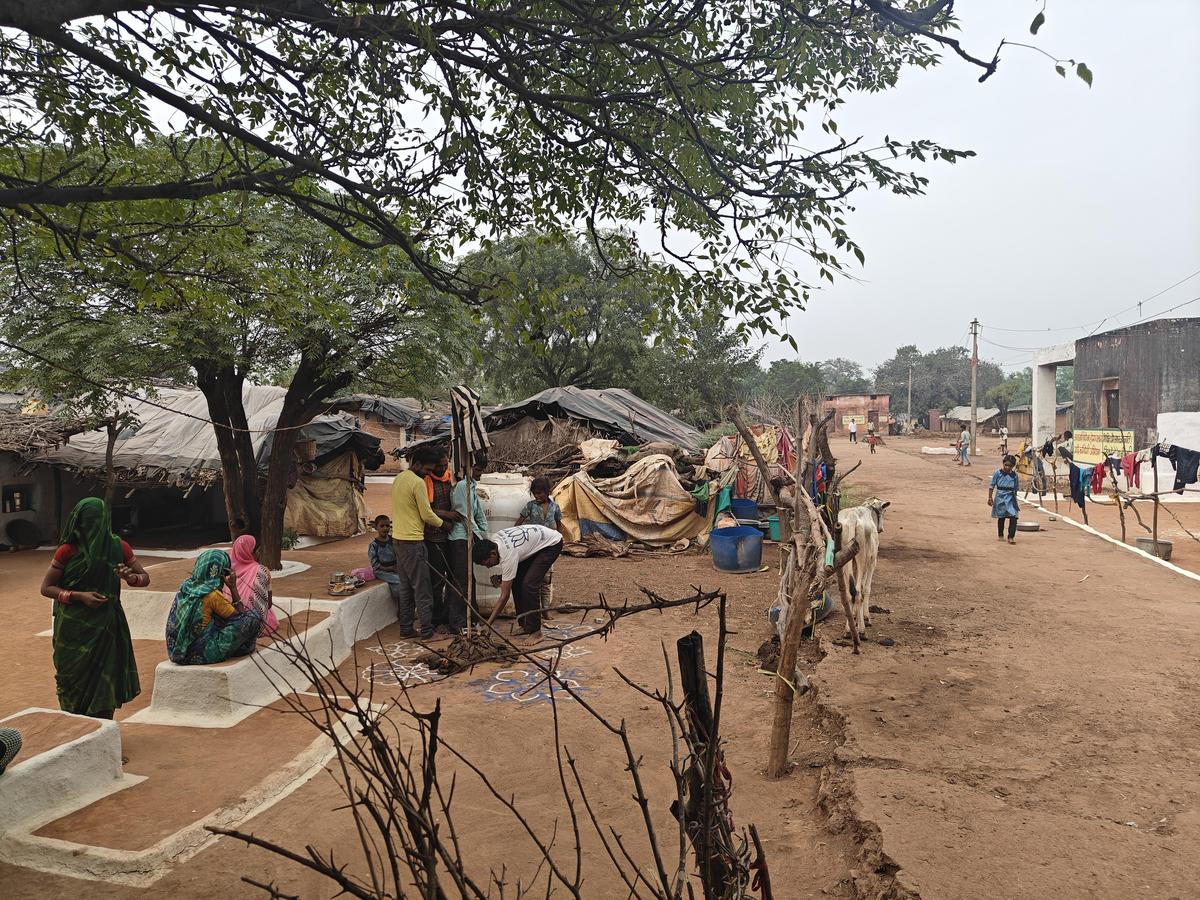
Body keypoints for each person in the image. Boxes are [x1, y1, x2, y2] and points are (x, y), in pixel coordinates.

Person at [39, 497, 148, 719]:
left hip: (106, 626)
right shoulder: (67, 551)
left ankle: (103, 731)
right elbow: (46, 588)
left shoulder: (119, 547)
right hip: (72, 629)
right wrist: (79, 596)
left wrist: (131, 578)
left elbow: (144, 578)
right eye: (89, 521)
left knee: (104, 679)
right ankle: (75, 726)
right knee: (71, 678)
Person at [166, 550, 262, 665]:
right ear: (221, 572)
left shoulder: (185, 588)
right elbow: (240, 616)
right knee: (253, 617)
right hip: (199, 653)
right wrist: (233, 588)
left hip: (178, 651)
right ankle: (242, 650)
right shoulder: (212, 595)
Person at [391, 445, 447, 638]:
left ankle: (406, 628)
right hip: (413, 541)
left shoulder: (399, 478)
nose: (428, 473)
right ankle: (427, 630)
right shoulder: (417, 482)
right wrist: (444, 524)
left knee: (406, 588)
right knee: (423, 588)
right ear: (417, 464)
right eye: (427, 469)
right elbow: (426, 514)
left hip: (398, 539)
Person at [474, 524, 564, 638]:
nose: (488, 567)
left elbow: (504, 596)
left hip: (551, 544)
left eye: (488, 563)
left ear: (493, 553)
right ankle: (525, 625)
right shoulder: (495, 540)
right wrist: (503, 577)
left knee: (529, 585)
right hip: (537, 542)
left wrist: (488, 624)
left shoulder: (507, 555)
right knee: (516, 582)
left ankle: (536, 631)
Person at [446, 456, 489, 632]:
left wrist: (484, 535)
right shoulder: (462, 486)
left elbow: (478, 515)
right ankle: (457, 622)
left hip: (468, 538)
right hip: (460, 538)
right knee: (461, 581)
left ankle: (471, 618)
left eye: (481, 470)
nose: (480, 473)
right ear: (469, 468)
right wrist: (479, 538)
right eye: (477, 470)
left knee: (469, 580)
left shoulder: (471, 487)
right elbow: (465, 516)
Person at [515, 476, 564, 615]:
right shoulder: (530, 506)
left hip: (550, 547)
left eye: (540, 493)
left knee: (547, 579)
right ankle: (535, 611)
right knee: (534, 579)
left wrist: (560, 541)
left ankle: (545, 609)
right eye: (535, 493)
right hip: (534, 547)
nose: (537, 496)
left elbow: (559, 525)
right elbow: (519, 522)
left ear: (547, 492)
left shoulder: (555, 507)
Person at [423, 450, 461, 629]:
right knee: (437, 580)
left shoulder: (449, 479)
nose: (443, 468)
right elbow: (425, 509)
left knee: (451, 578)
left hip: (450, 536)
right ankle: (436, 618)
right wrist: (446, 515)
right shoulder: (426, 481)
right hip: (434, 536)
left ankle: (448, 615)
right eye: (440, 466)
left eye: (446, 465)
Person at [225, 534, 277, 637]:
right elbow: (268, 604)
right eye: (258, 551)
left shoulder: (227, 571)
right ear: (250, 553)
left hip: (228, 621)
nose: (259, 554)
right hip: (254, 625)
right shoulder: (261, 571)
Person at [988, 454, 1021, 544]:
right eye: (1006, 465)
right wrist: (990, 497)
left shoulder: (1014, 475)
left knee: (1014, 516)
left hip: (1011, 497)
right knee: (1001, 517)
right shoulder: (997, 473)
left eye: (1010, 466)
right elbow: (991, 486)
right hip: (1000, 497)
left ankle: (1011, 537)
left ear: (1013, 466)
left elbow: (1016, 487)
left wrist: (1015, 499)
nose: (1007, 467)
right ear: (1003, 463)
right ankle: (1000, 534)